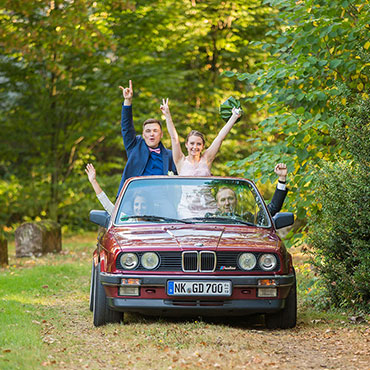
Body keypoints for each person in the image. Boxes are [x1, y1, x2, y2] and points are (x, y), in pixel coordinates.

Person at [116, 81, 177, 198]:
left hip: (161, 202)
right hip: (135, 200)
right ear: (143, 135)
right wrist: (127, 101)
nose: (152, 134)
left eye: (155, 131)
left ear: (161, 134)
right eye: (148, 131)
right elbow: (126, 127)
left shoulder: (170, 156)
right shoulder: (135, 147)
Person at [160, 98, 241, 176]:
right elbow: (174, 138)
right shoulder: (180, 160)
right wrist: (167, 114)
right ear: (186, 144)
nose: (195, 147)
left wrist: (234, 117)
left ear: (203, 146)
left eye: (198, 144)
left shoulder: (206, 159)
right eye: (192, 143)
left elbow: (220, 138)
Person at [215, 163, 289, 218]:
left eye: (230, 198)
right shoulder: (208, 221)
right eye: (222, 200)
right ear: (217, 204)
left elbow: (273, 208)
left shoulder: (247, 219)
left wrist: (282, 178)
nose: (227, 203)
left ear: (236, 200)